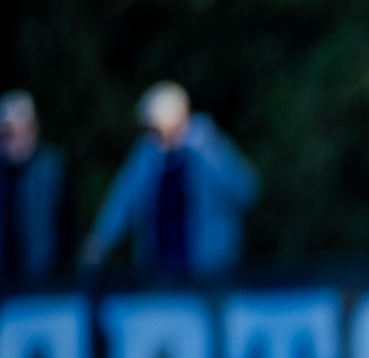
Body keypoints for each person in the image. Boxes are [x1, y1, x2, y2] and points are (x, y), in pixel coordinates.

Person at [82, 81, 259, 278]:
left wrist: (207, 151)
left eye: (157, 128)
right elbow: (123, 198)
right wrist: (100, 240)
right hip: (160, 268)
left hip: (209, 270)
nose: (152, 136)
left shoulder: (208, 145)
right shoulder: (148, 154)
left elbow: (246, 190)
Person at [0, 91, 67, 284]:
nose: (11, 140)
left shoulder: (51, 168)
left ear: (32, 129)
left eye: (18, 132)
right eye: (6, 133)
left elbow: (64, 224)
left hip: (43, 279)